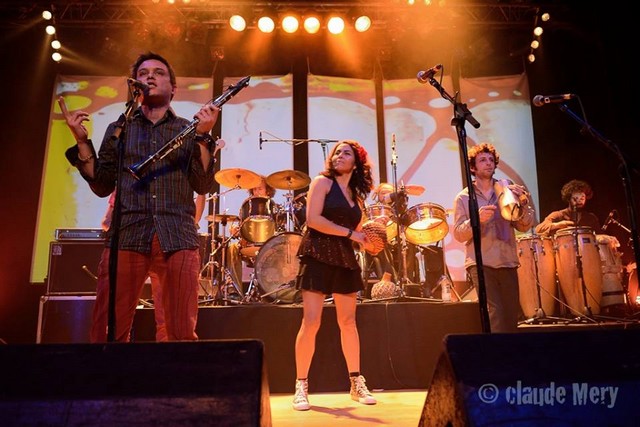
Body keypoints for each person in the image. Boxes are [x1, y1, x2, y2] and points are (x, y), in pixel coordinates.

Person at [59, 51, 220, 342]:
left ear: (173, 88)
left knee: (180, 332)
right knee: (108, 330)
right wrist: (81, 142)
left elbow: (203, 183)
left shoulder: (188, 129)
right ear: (134, 86)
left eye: (158, 73)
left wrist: (202, 136)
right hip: (127, 233)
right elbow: (102, 185)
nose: (150, 77)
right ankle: (110, 374)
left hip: (177, 235)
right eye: (143, 73)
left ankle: (176, 374)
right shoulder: (119, 129)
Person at [292, 140, 377, 411]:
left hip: (344, 257)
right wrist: (352, 234)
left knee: (348, 322)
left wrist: (372, 236)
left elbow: (361, 232)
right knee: (311, 322)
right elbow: (313, 220)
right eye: (337, 152)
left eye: (346, 153)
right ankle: (301, 385)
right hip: (317, 252)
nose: (339, 156)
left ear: (357, 162)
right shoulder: (322, 182)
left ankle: (355, 382)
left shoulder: (356, 196)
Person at [453, 143, 535, 333]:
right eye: (482, 160)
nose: (488, 163)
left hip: (507, 260)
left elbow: (524, 226)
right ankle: (496, 351)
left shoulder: (507, 191)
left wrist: (523, 203)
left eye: (491, 160)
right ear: (473, 167)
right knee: (494, 313)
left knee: (511, 315)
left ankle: (509, 351)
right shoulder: (464, 197)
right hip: (481, 263)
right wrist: (477, 219)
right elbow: (458, 233)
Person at [226, 176, 277, 292]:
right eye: (254, 189)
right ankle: (235, 290)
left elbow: (278, 230)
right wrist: (235, 231)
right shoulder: (247, 206)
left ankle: (273, 291)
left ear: (268, 191)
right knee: (232, 248)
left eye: (260, 189)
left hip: (268, 246)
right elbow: (242, 230)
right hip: (248, 245)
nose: (256, 192)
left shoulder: (274, 208)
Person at [535, 179, 600, 236]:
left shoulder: (591, 218)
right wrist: (559, 225)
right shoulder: (558, 215)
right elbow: (538, 229)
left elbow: (599, 236)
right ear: (569, 199)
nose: (579, 201)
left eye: (582, 198)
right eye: (576, 198)